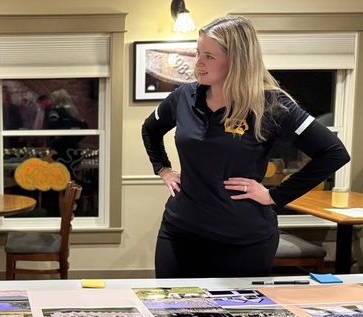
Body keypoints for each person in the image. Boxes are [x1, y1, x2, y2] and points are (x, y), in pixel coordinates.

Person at [141, 16, 350, 279]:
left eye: (209, 56)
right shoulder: (184, 97)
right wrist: (163, 168)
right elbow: (150, 129)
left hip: (243, 240)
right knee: (173, 314)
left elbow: (334, 153)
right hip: (181, 231)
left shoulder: (271, 104)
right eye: (197, 53)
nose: (198, 63)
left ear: (237, 61)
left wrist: (276, 196)